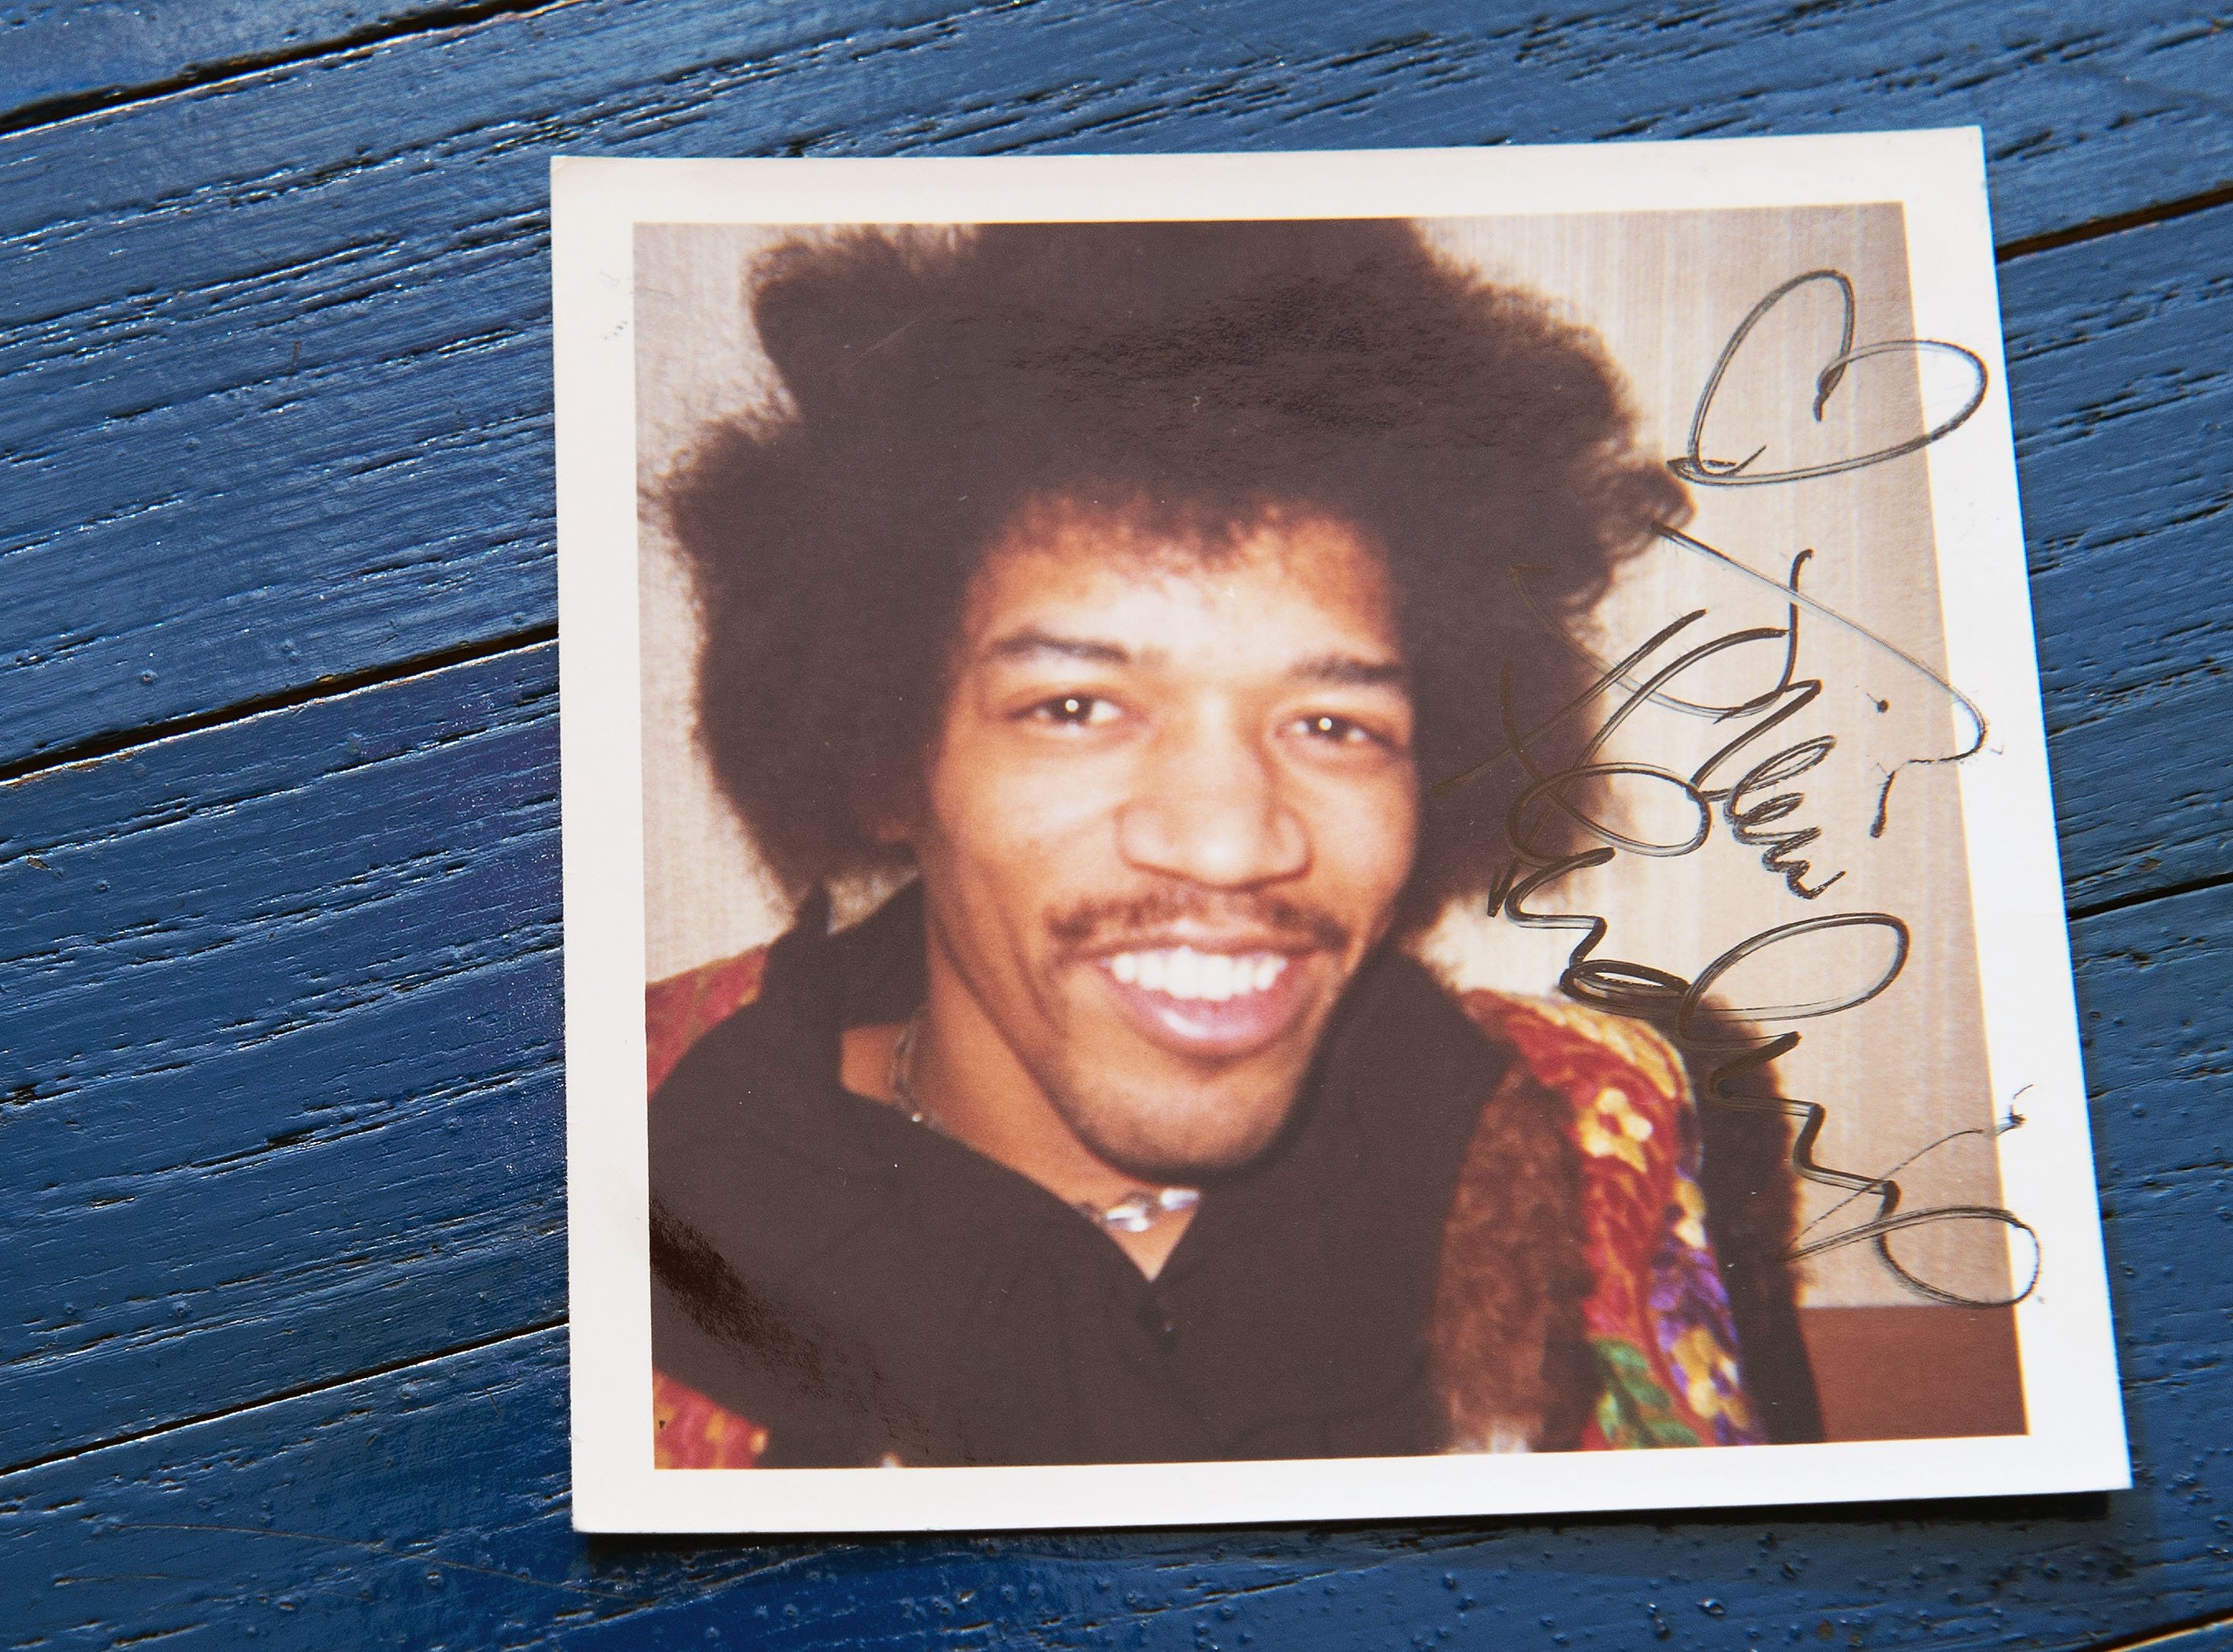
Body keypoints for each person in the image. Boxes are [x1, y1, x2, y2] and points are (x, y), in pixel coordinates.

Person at [643, 219, 1817, 1470]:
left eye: (1333, 724)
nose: (1228, 844)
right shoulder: (615, 1169)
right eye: (1075, 707)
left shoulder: (1599, 1128)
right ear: (887, 757)